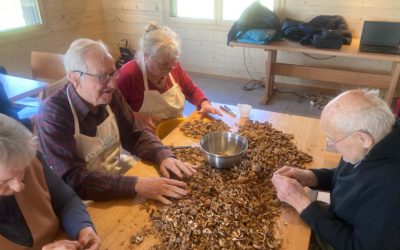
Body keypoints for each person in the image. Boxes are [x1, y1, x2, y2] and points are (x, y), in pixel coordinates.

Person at [36, 38, 197, 205]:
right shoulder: (53, 115)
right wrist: (137, 185)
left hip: (116, 173)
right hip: (81, 199)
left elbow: (135, 133)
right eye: (103, 76)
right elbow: (74, 179)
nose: (113, 83)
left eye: (113, 73)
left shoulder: (110, 95)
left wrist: (163, 155)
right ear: (75, 78)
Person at [272, 89, 400, 250]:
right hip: (344, 217)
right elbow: (352, 177)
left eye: (333, 139)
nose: (331, 144)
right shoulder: (381, 136)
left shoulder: (390, 188)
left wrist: (302, 203)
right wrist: (312, 177)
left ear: (363, 138)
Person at [0, 114, 100, 249]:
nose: (19, 186)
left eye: (22, 171)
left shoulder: (28, 160)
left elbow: (66, 201)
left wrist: (83, 228)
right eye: (3, 182)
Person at [117, 23, 222, 128]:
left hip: (176, 129)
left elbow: (191, 90)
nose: (169, 70)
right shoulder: (127, 75)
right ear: (146, 56)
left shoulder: (173, 67)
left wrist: (204, 103)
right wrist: (136, 117)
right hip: (144, 137)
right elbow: (113, 110)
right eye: (164, 65)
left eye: (173, 63)